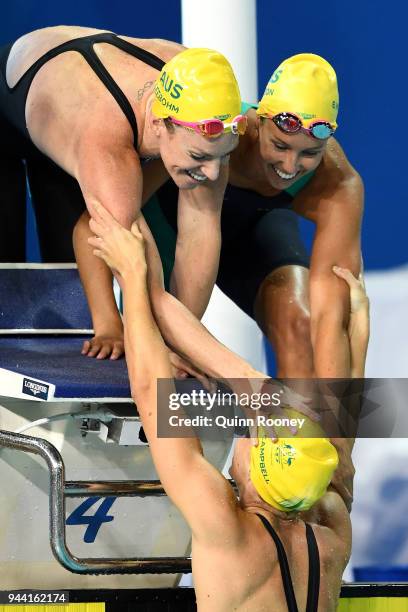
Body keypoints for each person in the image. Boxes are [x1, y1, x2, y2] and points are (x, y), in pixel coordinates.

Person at [87, 201, 369, 611]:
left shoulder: (228, 530)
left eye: (252, 433)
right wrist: (356, 332)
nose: (244, 432)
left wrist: (133, 276)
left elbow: (151, 391)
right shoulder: (330, 534)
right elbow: (339, 446)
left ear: (260, 468)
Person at [0, 25, 260, 380]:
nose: (213, 173)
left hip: (65, 108)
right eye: (199, 157)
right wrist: (247, 379)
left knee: (72, 292)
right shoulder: (106, 143)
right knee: (9, 294)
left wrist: (179, 348)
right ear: (159, 124)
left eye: (222, 158)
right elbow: (146, 287)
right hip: (17, 109)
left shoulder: (205, 101)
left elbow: (199, 233)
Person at [156, 53, 364, 379]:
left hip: (254, 231)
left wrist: (340, 422)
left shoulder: (339, 184)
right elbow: (193, 235)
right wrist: (179, 342)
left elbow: (332, 318)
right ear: (258, 122)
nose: (290, 166)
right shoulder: (221, 133)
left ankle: (295, 429)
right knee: (154, 348)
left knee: (303, 326)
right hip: (174, 226)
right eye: (280, 146)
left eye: (309, 153)